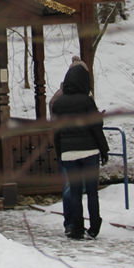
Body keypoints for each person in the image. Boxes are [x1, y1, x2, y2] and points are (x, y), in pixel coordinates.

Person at [51, 61, 109, 240]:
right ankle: (94, 225)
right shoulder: (87, 101)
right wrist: (104, 149)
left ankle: (76, 227)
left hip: (69, 153)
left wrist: (59, 152)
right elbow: (96, 127)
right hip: (90, 151)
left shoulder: (58, 104)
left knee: (75, 192)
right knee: (92, 191)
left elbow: (57, 131)